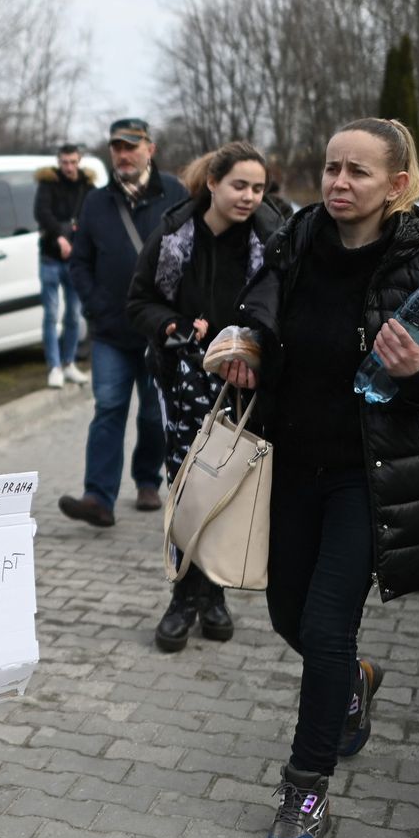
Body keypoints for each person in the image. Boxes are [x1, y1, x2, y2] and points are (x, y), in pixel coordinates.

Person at [234, 118, 419, 838]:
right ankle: (351, 682)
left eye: (357, 173)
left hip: (362, 478)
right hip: (287, 463)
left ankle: (306, 789)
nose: (338, 183)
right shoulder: (297, 239)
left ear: (396, 185)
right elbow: (261, 311)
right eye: (332, 168)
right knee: (288, 615)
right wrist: (241, 343)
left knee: (328, 627)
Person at [126, 141, 280, 652]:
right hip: (184, 377)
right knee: (188, 485)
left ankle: (213, 594)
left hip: (245, 383)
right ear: (213, 183)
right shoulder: (174, 235)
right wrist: (169, 324)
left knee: (229, 485)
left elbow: (282, 308)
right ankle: (182, 597)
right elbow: (140, 300)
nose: (249, 197)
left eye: (258, 188)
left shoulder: (271, 240)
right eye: (240, 185)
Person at [57, 118, 185, 528]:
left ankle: (147, 480)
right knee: (109, 407)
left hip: (159, 331)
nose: (123, 154)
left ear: (151, 148)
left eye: (132, 146)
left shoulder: (175, 193)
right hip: (111, 330)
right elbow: (79, 261)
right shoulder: (97, 201)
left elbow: (194, 254)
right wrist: (94, 305)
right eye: (117, 147)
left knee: (152, 413)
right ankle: (98, 497)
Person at [34, 143, 94, 387]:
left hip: (76, 261)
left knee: (74, 315)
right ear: (58, 162)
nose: (68, 167)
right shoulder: (48, 183)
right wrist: (59, 235)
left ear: (79, 161)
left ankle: (69, 362)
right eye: (64, 162)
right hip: (50, 257)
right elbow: (41, 213)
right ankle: (55, 366)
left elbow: (92, 220)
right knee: (51, 313)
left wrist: (76, 241)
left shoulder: (88, 187)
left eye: (72, 162)